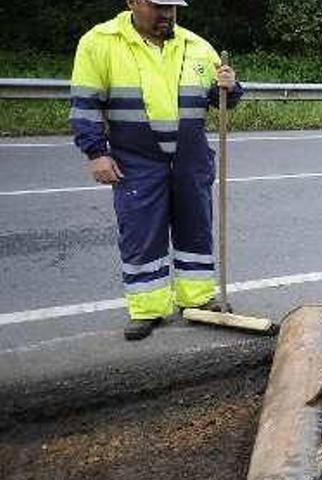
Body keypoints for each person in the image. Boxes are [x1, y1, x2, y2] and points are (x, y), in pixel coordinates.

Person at [70, 0, 243, 340]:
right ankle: (147, 309)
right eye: (157, 5)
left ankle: (198, 300)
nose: (166, 13)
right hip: (136, 156)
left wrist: (230, 86)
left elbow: (224, 98)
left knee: (196, 228)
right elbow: (85, 101)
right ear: (133, 2)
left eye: (172, 6)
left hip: (190, 156)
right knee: (140, 231)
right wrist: (96, 152)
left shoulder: (196, 45)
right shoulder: (100, 41)